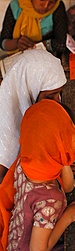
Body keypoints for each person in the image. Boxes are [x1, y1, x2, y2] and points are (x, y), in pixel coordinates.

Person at [0, 99, 75, 251]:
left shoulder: (25, 160)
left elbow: (67, 187)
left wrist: (62, 161)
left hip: (12, 237)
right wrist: (68, 216)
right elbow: (38, 249)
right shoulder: (50, 199)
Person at [0, 49, 67, 184]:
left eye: (59, 93)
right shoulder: (5, 133)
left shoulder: (39, 113)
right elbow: (7, 186)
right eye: (50, 96)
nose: (58, 102)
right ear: (28, 89)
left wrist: (56, 164)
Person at [0, 0, 67, 57]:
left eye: (52, 2)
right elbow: (3, 43)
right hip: (18, 57)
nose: (46, 6)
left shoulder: (58, 7)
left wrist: (35, 46)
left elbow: (61, 44)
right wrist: (17, 42)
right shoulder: (16, 6)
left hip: (46, 58)